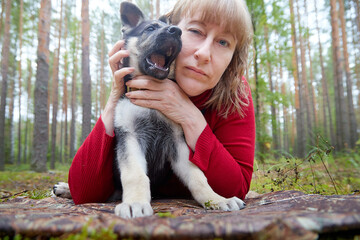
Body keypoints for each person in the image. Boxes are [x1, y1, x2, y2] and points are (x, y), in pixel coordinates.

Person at [68, 0, 255, 205]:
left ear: (233, 58)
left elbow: (235, 189)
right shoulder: (133, 97)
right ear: (174, 27)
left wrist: (189, 116)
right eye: (195, 31)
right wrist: (116, 95)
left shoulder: (235, 95)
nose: (203, 54)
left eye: (223, 42)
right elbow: (83, 192)